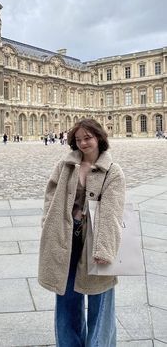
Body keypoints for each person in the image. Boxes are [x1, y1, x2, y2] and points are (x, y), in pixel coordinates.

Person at [38, 118, 125, 347]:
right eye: (78, 139)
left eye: (87, 138)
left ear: (99, 138)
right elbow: (51, 194)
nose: (83, 143)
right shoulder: (65, 165)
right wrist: (48, 221)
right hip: (66, 237)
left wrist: (104, 249)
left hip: (97, 239)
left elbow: (112, 211)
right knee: (66, 299)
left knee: (100, 300)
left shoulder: (112, 171)